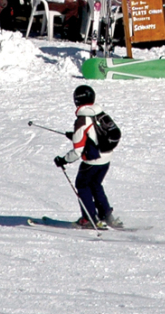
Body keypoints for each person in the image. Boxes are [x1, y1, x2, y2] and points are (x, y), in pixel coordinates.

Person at [53, 84, 119, 229]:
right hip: (106, 159)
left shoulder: (82, 120)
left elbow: (78, 151)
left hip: (92, 162)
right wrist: (75, 135)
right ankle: (107, 216)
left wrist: (63, 160)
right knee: (95, 185)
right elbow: (95, 135)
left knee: (82, 186)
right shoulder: (100, 113)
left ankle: (89, 219)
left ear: (76, 100)